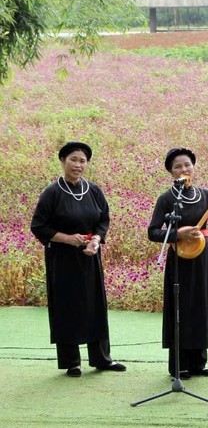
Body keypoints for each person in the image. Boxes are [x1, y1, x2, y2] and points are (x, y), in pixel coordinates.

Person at [147, 148, 208, 379]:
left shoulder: (204, 194)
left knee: (201, 305)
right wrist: (178, 233)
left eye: (187, 165)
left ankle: (198, 363)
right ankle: (179, 365)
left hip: (203, 256)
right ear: (171, 172)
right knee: (182, 307)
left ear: (193, 166)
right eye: (178, 167)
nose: (184, 169)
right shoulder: (167, 199)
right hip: (180, 258)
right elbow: (153, 232)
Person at [30, 141, 127, 377]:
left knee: (96, 305)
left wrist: (96, 241)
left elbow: (103, 220)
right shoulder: (52, 192)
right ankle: (71, 362)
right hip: (61, 259)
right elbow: (38, 226)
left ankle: (102, 359)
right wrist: (66, 238)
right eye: (73, 159)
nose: (78, 164)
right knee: (67, 306)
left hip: (89, 256)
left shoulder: (93, 190)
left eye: (83, 161)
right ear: (63, 161)